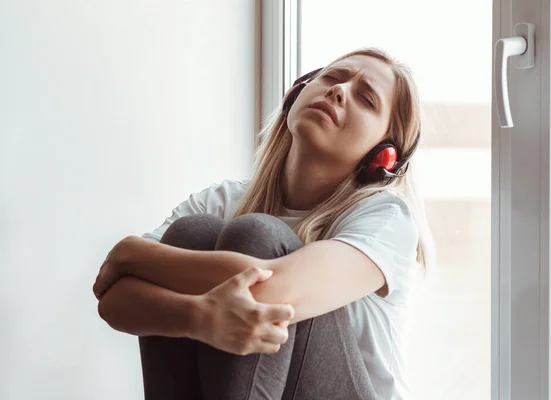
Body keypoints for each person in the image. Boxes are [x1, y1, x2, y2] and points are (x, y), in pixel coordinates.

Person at [93, 46, 435, 400]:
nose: (338, 91)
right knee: (190, 233)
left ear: (384, 156)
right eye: (332, 77)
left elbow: (271, 291)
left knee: (259, 235)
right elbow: (113, 299)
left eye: (366, 98)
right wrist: (199, 317)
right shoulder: (223, 200)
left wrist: (132, 253)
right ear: (295, 95)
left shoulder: (386, 217)